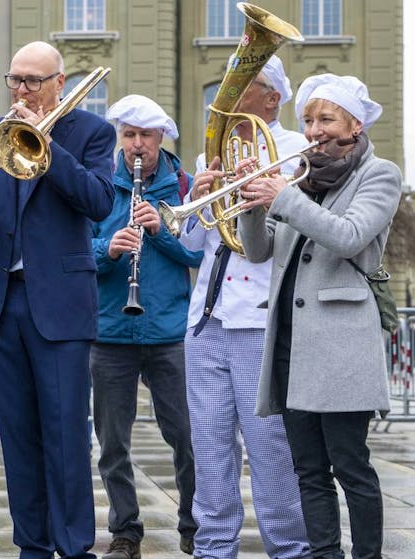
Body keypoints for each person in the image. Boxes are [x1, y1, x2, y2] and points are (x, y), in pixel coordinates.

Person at [0, 41, 115, 559]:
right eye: (14, 79)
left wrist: (45, 146)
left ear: (59, 83)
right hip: (1, 304)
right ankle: (33, 546)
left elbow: (98, 201)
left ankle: (74, 545)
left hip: (59, 304)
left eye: (32, 81)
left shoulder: (92, 132)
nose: (21, 90)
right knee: (17, 438)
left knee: (65, 435)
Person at [238, 73, 401, 559]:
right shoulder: (299, 178)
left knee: (351, 465)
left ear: (355, 124)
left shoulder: (380, 174)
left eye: (326, 119)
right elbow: (257, 250)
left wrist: (283, 197)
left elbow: (350, 236)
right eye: (308, 120)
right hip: (292, 342)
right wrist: (249, 199)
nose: (313, 130)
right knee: (308, 469)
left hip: (341, 344)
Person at [180, 55, 311, 559]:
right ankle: (214, 548)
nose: (228, 95)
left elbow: (290, 238)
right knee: (210, 450)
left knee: (271, 449)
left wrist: (258, 190)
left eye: (244, 84)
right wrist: (203, 195)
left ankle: (290, 548)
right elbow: (194, 246)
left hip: (261, 318)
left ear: (273, 98)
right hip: (206, 317)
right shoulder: (211, 153)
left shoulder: (297, 150)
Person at [90, 95, 201, 559]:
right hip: (111, 333)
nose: (137, 146)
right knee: (112, 443)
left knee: (188, 438)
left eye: (146, 137)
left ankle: (196, 524)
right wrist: (108, 249)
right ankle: (125, 532)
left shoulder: (185, 186)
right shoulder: (99, 186)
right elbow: (78, 251)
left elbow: (199, 254)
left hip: (170, 333)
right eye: (129, 136)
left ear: (161, 138)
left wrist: (161, 231)